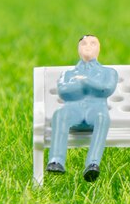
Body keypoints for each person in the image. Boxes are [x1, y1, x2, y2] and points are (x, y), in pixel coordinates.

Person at [46, 35, 118, 182]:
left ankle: (93, 163)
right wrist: (90, 85)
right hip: (73, 109)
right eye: (84, 43)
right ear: (78, 48)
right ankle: (56, 160)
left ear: (99, 49)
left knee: (102, 118)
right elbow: (64, 91)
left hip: (96, 109)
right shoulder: (68, 73)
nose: (88, 46)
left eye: (93, 43)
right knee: (60, 115)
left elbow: (106, 89)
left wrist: (84, 81)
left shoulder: (108, 72)